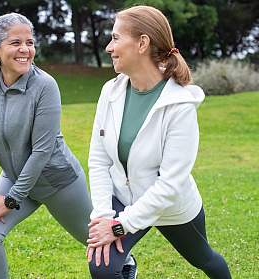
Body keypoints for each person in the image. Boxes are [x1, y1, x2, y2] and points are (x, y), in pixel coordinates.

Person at [0, 12, 137, 279]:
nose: (25, 49)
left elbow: (42, 151)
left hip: (58, 182)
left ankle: (127, 263)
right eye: (16, 43)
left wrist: (10, 200)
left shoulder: (45, 86)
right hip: (14, 178)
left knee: (97, 241)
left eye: (30, 42)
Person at [86, 5, 231, 279]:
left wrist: (119, 226)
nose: (108, 47)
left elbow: (170, 184)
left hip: (170, 208)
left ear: (142, 43)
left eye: (116, 38)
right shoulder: (110, 91)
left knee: (206, 259)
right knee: (103, 268)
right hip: (123, 201)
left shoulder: (180, 105)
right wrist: (105, 215)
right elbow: (98, 159)